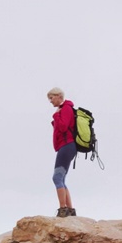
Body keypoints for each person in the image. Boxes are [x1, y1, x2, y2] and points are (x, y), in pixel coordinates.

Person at [48, 87, 77, 217]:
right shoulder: (64, 109)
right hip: (66, 146)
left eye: (51, 97)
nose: (50, 101)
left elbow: (63, 126)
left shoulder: (65, 108)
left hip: (67, 146)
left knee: (57, 177)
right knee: (62, 178)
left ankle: (63, 209)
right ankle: (70, 210)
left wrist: (56, 115)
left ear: (59, 96)